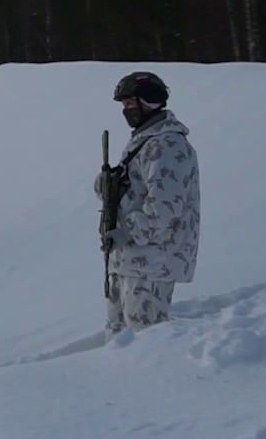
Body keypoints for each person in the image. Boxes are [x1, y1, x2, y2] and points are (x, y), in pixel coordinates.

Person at [93, 71, 200, 337]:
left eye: (130, 104)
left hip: (152, 262)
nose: (126, 111)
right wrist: (106, 186)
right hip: (128, 258)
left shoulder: (167, 146)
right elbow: (135, 191)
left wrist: (126, 231)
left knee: (144, 339)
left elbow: (163, 212)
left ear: (149, 101)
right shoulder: (144, 142)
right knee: (118, 338)